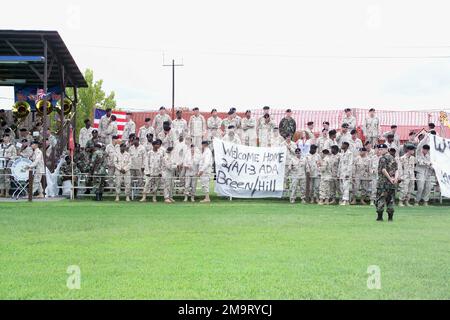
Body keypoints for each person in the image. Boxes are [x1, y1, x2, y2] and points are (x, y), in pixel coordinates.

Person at [375, 144, 399, 221]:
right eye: (379, 149)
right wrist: (395, 179)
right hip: (391, 184)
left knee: (380, 199)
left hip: (383, 183)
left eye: (382, 149)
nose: (380, 151)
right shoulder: (393, 158)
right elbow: (397, 170)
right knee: (390, 200)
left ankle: (380, 217)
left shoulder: (382, 158)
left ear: (386, 149)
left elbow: (383, 170)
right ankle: (390, 217)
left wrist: (390, 179)